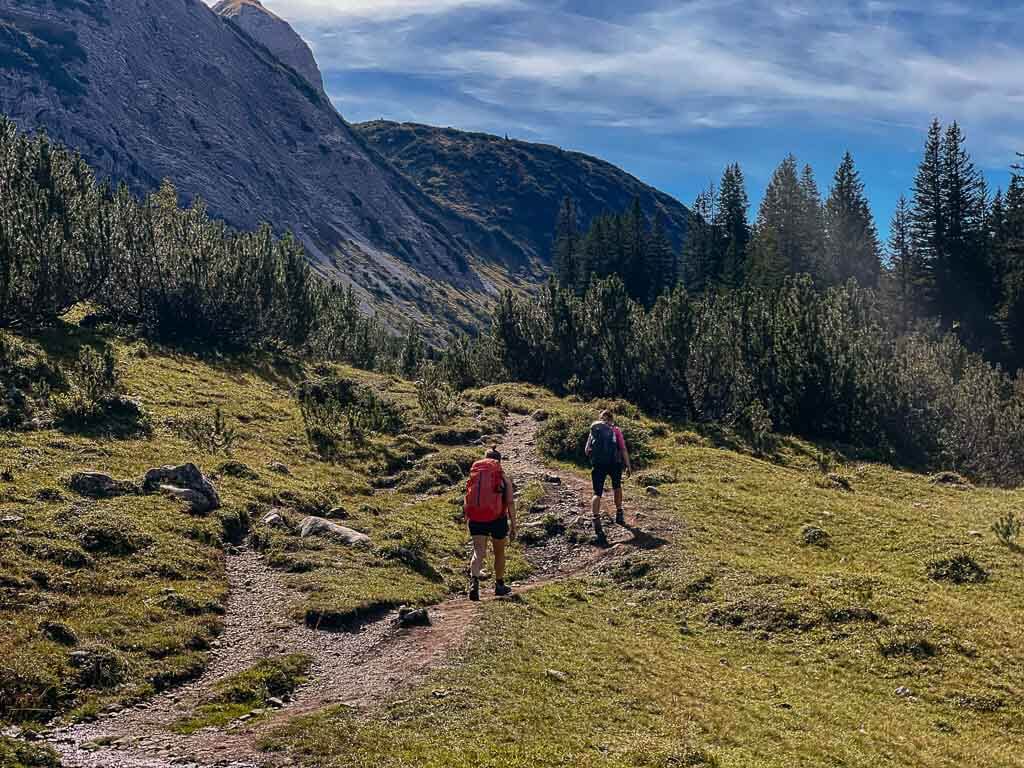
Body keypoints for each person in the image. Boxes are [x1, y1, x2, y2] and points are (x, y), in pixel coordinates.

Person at [464, 447, 517, 601]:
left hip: (476, 518)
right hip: (497, 519)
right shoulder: (503, 477)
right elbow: (510, 502)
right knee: (499, 552)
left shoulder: (476, 474)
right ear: (499, 461)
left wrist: (467, 517)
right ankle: (499, 585)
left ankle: (474, 583)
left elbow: (467, 497)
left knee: (478, 551)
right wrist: (514, 525)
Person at [585, 410, 632, 540]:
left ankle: (596, 521)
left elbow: (586, 450)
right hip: (614, 463)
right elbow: (623, 449)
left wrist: (595, 459)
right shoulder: (615, 430)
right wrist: (628, 465)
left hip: (599, 464)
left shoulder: (594, 430)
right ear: (612, 419)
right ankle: (619, 513)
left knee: (597, 493)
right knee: (617, 487)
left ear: (600, 419)